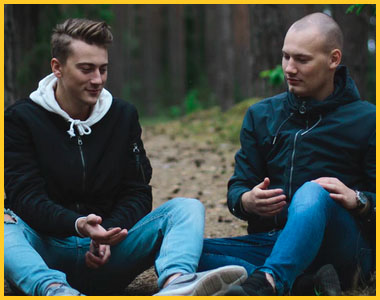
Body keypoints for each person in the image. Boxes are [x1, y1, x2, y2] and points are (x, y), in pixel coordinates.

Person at [4, 18, 247, 296]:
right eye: (86, 69)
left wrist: (107, 234)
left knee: (186, 208)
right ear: (57, 67)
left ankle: (177, 282)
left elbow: (137, 192)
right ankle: (55, 290)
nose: (97, 79)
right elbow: (25, 198)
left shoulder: (123, 116)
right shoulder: (20, 119)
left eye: (103, 69)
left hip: (111, 253)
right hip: (46, 251)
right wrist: (78, 225)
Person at [197, 12, 375, 296]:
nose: (289, 68)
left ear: (333, 59)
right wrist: (247, 200)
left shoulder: (368, 120)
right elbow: (238, 189)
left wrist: (360, 200)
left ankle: (269, 282)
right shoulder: (261, 115)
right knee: (183, 252)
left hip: (343, 250)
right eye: (285, 57)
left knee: (313, 193)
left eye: (302, 60)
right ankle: (304, 282)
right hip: (274, 242)